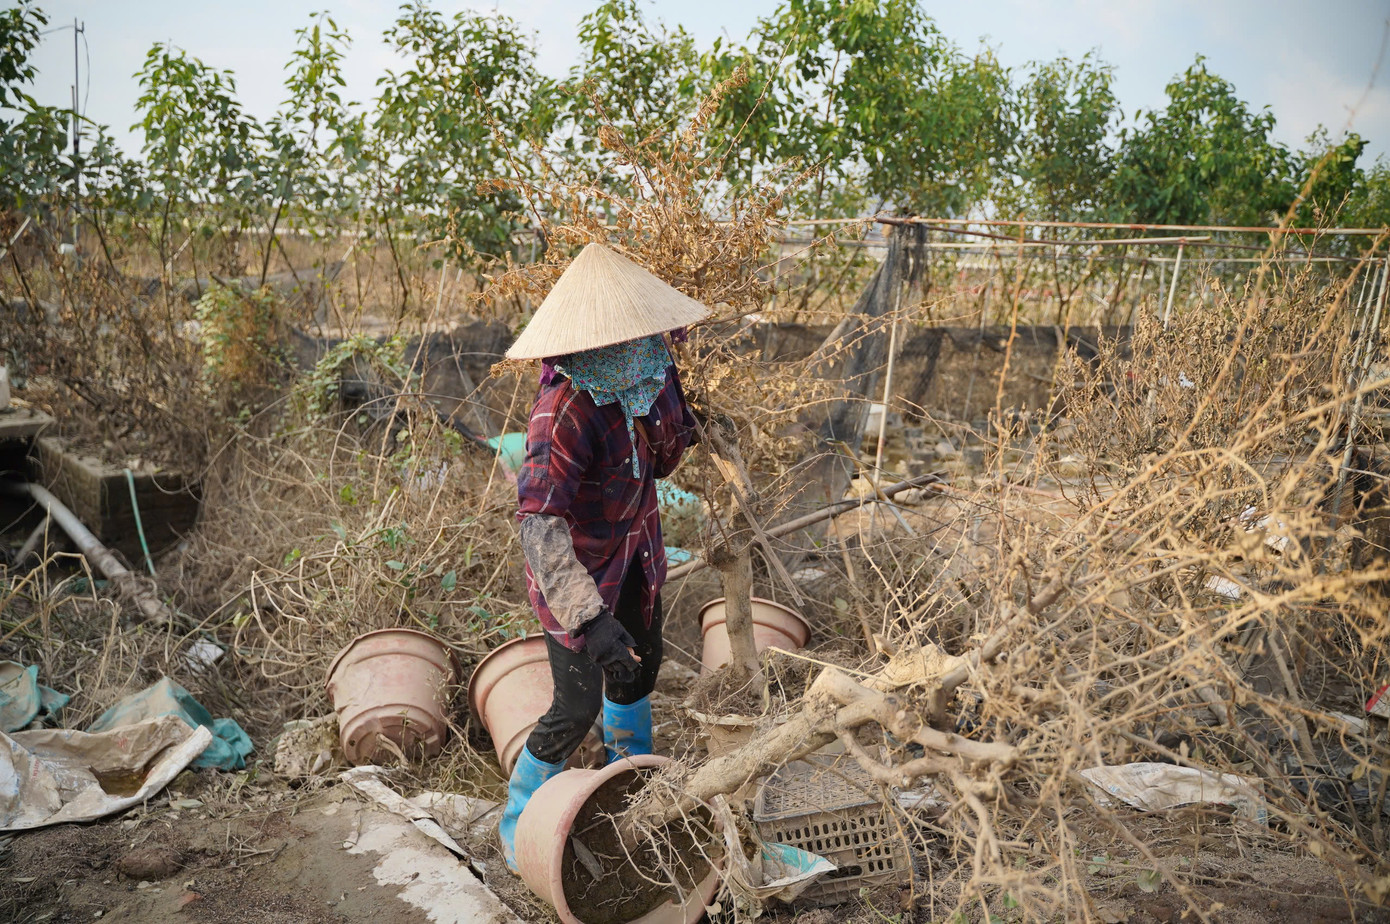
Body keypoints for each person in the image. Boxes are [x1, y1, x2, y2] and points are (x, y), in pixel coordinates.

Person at [497, 243, 709, 872]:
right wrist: (589, 620)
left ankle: (627, 789)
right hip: (576, 578)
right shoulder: (562, 410)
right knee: (577, 704)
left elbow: (674, 442)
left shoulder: (654, 372)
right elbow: (540, 526)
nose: (646, 345)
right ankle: (519, 827)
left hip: (637, 554)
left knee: (641, 670)